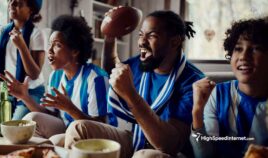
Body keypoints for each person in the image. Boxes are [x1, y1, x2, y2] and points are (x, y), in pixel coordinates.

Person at [64, 10, 204, 158]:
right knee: (78, 128)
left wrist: (131, 95)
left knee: (144, 156)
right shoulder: (141, 63)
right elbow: (113, 70)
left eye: (152, 36)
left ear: (174, 42)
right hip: (137, 138)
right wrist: (110, 36)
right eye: (140, 35)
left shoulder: (193, 82)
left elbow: (170, 144)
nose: (142, 42)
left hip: (170, 151)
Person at [0, 15, 109, 145]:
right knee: (31, 118)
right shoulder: (55, 76)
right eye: (49, 45)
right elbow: (49, 115)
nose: (49, 51)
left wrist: (70, 108)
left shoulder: (95, 78)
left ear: (74, 51)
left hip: (94, 136)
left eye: (57, 45)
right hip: (67, 128)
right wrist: (25, 97)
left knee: (55, 141)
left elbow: (100, 126)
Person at [190, 18, 268, 158]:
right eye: (238, 49)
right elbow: (204, 155)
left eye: (255, 48)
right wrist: (197, 112)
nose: (244, 56)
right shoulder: (217, 94)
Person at [0, 0, 45, 129]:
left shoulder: (36, 34)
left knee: (12, 131)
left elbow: (34, 74)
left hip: (30, 92)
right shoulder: (2, 31)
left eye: (19, 3)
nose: (12, 4)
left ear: (31, 9)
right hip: (6, 91)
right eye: (11, 1)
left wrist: (22, 47)